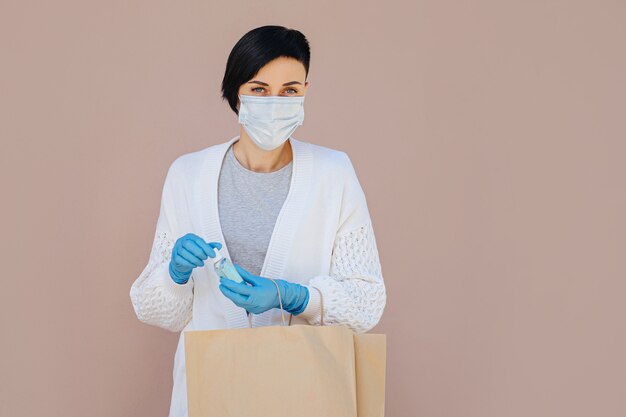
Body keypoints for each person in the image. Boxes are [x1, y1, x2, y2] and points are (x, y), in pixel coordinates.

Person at [129, 25, 387, 417]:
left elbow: (367, 303)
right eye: (259, 88)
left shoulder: (334, 174)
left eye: (290, 90)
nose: (275, 101)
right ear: (236, 92)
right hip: (209, 390)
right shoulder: (187, 175)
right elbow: (157, 310)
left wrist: (297, 297)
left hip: (303, 392)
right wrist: (174, 274)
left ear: (305, 92)